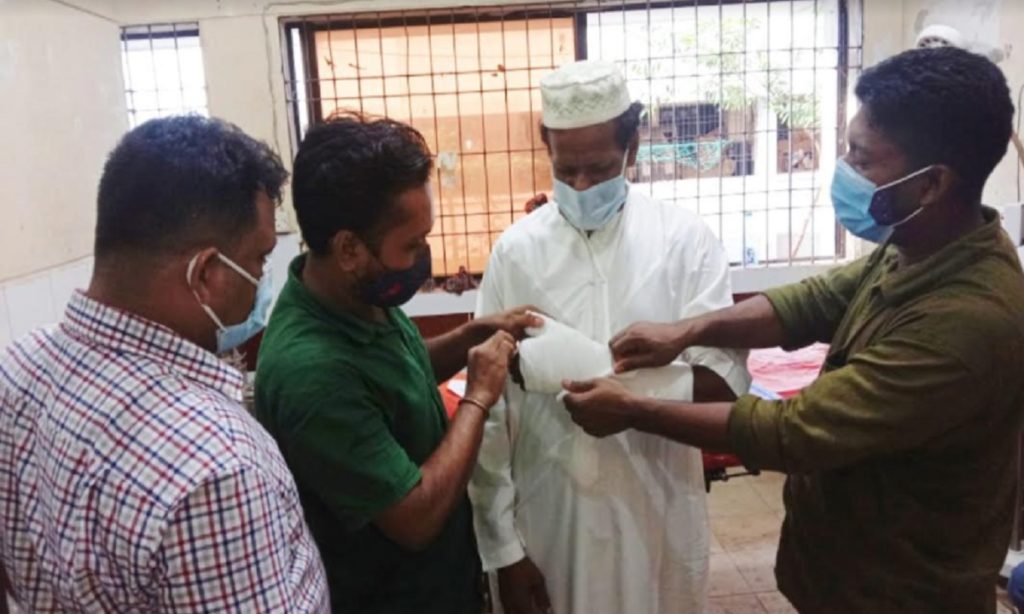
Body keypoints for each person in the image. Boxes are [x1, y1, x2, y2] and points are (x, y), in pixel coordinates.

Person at [561, 47, 1024, 612]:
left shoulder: (967, 322)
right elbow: (812, 301)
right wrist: (687, 330)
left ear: (931, 184)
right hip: (846, 575)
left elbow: (796, 432)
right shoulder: (917, 245)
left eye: (861, 158)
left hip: (904, 592)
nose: (844, 169)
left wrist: (634, 411)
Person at [0, 116, 329, 612]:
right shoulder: (217, 467)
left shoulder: (17, 368)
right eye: (260, 260)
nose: (263, 281)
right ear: (206, 275)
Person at [470, 60, 750, 614]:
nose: (580, 186)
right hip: (550, 514)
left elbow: (724, 381)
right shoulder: (516, 252)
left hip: (657, 510)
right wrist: (503, 550)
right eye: (566, 168)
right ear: (546, 148)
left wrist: (623, 396)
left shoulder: (684, 241)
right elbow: (492, 408)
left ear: (632, 148)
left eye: (598, 169)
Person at [253, 114, 539, 613]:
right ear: (349, 249)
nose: (423, 257)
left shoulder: (355, 297)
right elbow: (416, 517)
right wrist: (478, 396)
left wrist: (470, 336)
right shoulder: (312, 375)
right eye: (411, 245)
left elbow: (394, 375)